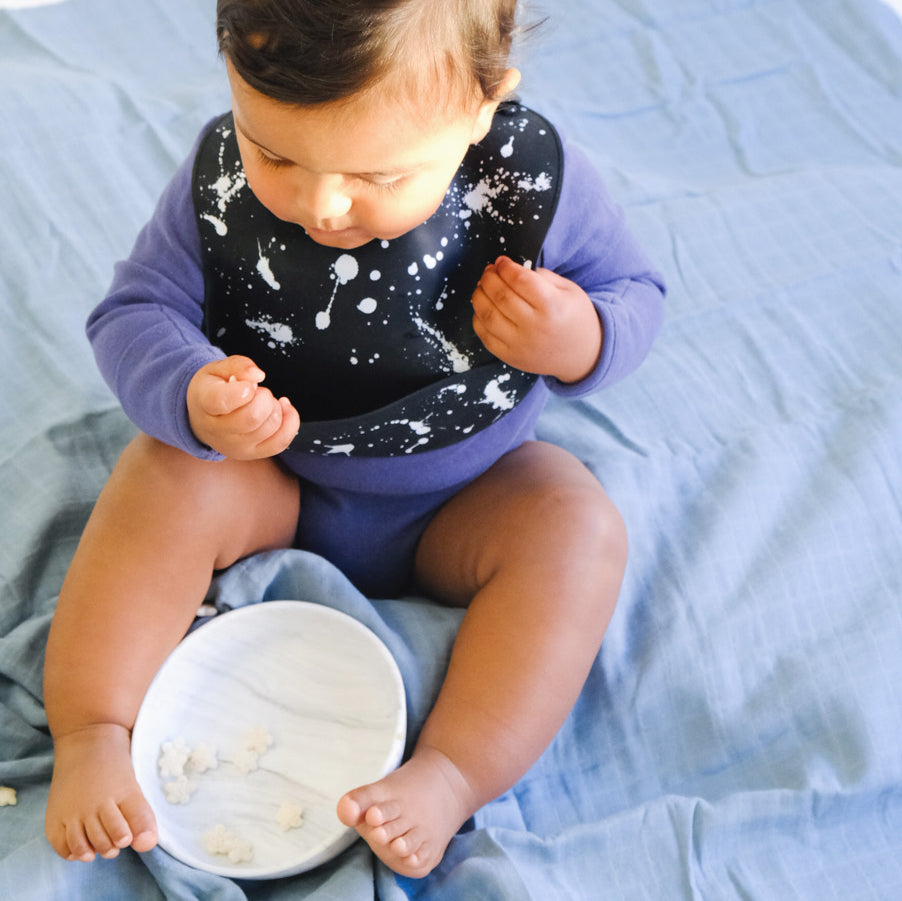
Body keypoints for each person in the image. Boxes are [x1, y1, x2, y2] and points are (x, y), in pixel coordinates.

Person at [43, 0, 665, 880]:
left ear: (483, 104)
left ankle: (449, 773)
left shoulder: (529, 179)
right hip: (279, 479)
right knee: (168, 467)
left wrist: (582, 337)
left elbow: (635, 293)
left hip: (469, 498)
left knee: (578, 528)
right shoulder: (219, 187)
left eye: (377, 174)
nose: (321, 205)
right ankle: (93, 728)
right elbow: (135, 311)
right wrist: (190, 389)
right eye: (276, 154)